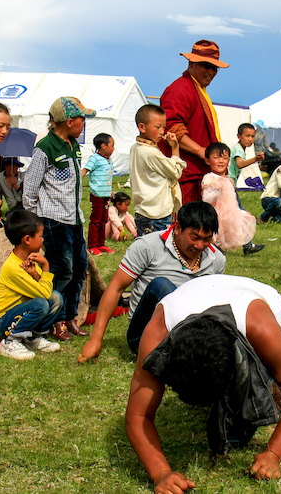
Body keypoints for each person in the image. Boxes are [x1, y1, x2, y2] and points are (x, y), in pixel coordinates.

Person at [125, 275, 281, 493]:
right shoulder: (158, 333)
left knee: (236, 433)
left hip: (269, 319)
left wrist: (273, 454)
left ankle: (267, 375)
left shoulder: (262, 330)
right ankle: (268, 380)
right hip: (206, 293)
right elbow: (137, 415)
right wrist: (161, 474)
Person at [77, 202, 226, 363]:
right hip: (144, 335)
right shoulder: (147, 246)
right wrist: (95, 340)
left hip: (192, 333)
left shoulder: (216, 259)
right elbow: (115, 289)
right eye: (194, 238)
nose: (199, 245)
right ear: (177, 228)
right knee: (162, 286)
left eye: (206, 239)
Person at [23, 96, 96, 340]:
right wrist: (36, 225)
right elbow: (30, 189)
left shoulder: (73, 145)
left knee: (79, 270)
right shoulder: (45, 148)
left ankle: (69, 317)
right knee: (61, 270)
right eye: (82, 119)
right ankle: (53, 320)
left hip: (74, 219)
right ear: (69, 121)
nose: (84, 123)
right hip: (54, 221)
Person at [0, 210, 63, 361]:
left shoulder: (28, 261)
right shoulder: (13, 268)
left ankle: (32, 338)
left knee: (56, 298)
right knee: (41, 303)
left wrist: (35, 274)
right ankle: (10, 342)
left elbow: (46, 291)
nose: (43, 239)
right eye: (40, 236)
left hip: (15, 317)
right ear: (27, 239)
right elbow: (43, 294)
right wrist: (46, 265)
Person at [159, 40, 227, 204]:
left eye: (214, 67)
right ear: (191, 63)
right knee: (186, 224)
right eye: (206, 65)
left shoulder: (197, 89)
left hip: (199, 173)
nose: (211, 71)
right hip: (186, 174)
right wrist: (201, 151)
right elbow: (172, 128)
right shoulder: (180, 89)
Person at [129, 104, 186, 237]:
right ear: (142, 127)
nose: (162, 131)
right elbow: (176, 171)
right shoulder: (150, 152)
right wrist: (175, 148)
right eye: (157, 127)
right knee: (160, 252)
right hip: (157, 214)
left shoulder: (136, 148)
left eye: (163, 127)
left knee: (145, 250)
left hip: (143, 211)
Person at [201, 142, 256, 250]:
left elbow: (232, 202)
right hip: (213, 220)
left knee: (222, 251)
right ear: (207, 161)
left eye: (225, 158)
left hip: (227, 223)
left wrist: (242, 213)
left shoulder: (228, 180)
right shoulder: (210, 178)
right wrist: (219, 190)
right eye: (216, 158)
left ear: (228, 161)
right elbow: (206, 199)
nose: (221, 161)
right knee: (211, 250)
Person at [227, 123, 265, 255]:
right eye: (247, 136)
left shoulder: (239, 148)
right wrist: (255, 159)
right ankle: (247, 246)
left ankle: (247, 245)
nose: (250, 139)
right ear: (239, 136)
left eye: (253, 136)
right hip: (229, 186)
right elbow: (239, 163)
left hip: (229, 185)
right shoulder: (238, 150)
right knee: (242, 215)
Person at [82, 132, 114, 256]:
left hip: (106, 195)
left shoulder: (109, 160)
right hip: (96, 195)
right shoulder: (94, 159)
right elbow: (85, 170)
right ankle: (93, 246)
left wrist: (110, 190)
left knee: (103, 220)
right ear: (103, 146)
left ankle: (101, 244)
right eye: (112, 145)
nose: (114, 148)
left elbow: (109, 176)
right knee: (95, 220)